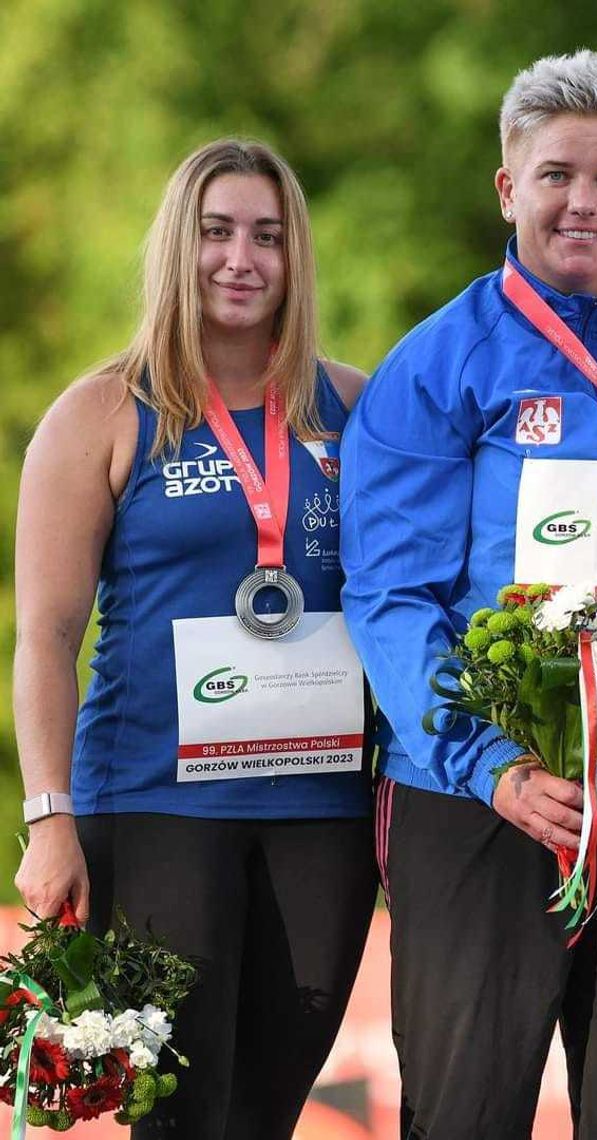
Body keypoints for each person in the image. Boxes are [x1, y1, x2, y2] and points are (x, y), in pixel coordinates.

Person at [342, 49, 597, 1140]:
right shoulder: (438, 366)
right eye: (557, 174)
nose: (584, 200)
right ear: (507, 188)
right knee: (466, 1117)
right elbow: (391, 599)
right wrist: (498, 765)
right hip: (483, 808)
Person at [13, 138, 378, 1139]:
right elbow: (45, 634)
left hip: (322, 808)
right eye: (217, 232)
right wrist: (49, 818)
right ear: (180, 245)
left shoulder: (356, 407)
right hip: (159, 804)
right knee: (177, 1110)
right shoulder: (102, 412)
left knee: (266, 1107)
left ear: (295, 256)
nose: (242, 258)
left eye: (268, 235)